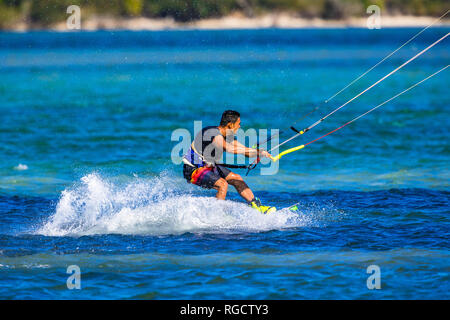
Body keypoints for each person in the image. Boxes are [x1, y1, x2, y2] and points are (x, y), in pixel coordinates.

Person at [182, 110, 276, 214]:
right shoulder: (212, 133)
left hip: (209, 167)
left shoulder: (227, 136)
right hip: (193, 170)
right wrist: (255, 151)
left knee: (237, 179)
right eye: (238, 124)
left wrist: (259, 153)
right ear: (230, 125)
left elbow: (245, 151)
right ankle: (217, 216)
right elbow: (229, 149)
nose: (240, 126)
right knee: (223, 185)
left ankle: (256, 206)